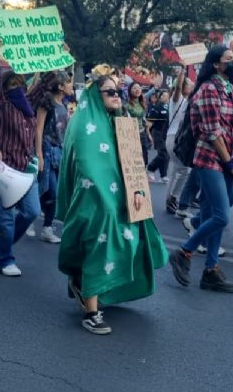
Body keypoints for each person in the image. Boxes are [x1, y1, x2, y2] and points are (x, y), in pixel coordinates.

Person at [57, 69, 168, 334]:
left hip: (120, 198)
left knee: (127, 242)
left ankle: (84, 286)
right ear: (96, 94)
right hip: (94, 201)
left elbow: (131, 162)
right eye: (110, 92)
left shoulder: (120, 121)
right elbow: (86, 166)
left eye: (118, 91)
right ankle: (92, 312)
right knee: (99, 247)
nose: (117, 96)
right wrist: (104, 201)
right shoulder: (84, 122)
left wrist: (139, 194)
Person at [168, 45, 233, 294]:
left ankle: (210, 270)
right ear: (216, 64)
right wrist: (231, 165)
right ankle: (184, 252)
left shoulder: (229, 88)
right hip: (210, 159)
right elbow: (212, 133)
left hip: (225, 158)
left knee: (224, 204)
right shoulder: (209, 89)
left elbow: (226, 124)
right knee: (221, 215)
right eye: (229, 60)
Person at [0, 39, 41, 276]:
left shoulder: (27, 107)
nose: (18, 88)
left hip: (26, 166)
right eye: (13, 84)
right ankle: (5, 259)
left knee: (31, 211)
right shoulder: (0, 103)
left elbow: (41, 80)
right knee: (6, 216)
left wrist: (56, 56)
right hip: (5, 166)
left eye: (21, 84)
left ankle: (3, 238)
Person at [28, 70, 74, 243]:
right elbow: (38, 129)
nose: (72, 85)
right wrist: (39, 154)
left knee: (54, 192)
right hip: (46, 151)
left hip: (59, 152)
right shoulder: (46, 102)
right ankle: (29, 218)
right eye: (69, 82)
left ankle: (47, 227)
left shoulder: (64, 104)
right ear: (61, 86)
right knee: (45, 188)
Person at [165, 68, 194, 218]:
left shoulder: (189, 101)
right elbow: (177, 87)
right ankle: (174, 198)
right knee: (184, 170)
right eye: (189, 84)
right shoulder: (177, 100)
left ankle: (170, 199)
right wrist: (182, 71)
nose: (191, 86)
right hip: (174, 138)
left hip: (178, 138)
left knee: (177, 170)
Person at [125, 81, 153, 170]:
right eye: (134, 88)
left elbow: (143, 120)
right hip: (131, 134)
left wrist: (149, 134)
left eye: (139, 88)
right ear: (130, 91)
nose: (137, 89)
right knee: (133, 155)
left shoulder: (142, 104)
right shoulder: (126, 106)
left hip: (142, 133)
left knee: (144, 154)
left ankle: (143, 173)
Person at [146, 89, 171, 181]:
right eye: (163, 95)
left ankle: (163, 175)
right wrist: (149, 135)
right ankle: (150, 168)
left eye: (167, 95)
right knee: (163, 153)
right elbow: (149, 123)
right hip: (157, 132)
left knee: (167, 154)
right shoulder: (157, 108)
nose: (166, 97)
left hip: (167, 132)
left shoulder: (169, 107)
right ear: (160, 97)